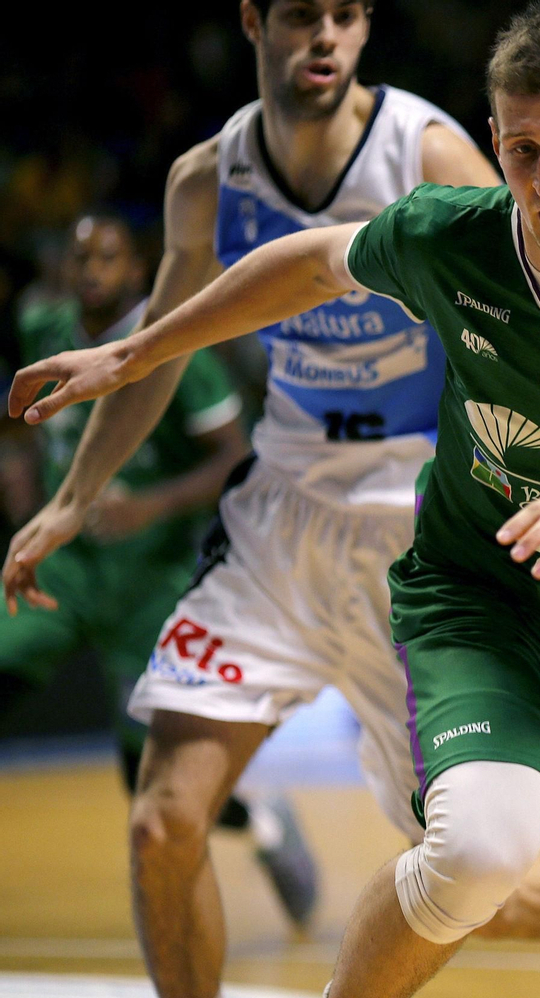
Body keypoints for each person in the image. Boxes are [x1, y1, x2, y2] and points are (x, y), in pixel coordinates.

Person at [10, 3, 540, 998]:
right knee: (467, 848)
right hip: (480, 603)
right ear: (497, 140)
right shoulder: (448, 233)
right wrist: (134, 353)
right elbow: (306, 264)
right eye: (523, 153)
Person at [0, 210, 320, 926]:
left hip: (153, 579)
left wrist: (146, 506)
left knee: (143, 774)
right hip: (69, 565)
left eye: (107, 257)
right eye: (79, 258)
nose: (90, 271)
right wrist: (19, 470)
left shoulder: (180, 350)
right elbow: (18, 422)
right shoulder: (42, 330)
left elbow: (235, 456)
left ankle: (263, 818)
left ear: (138, 272)